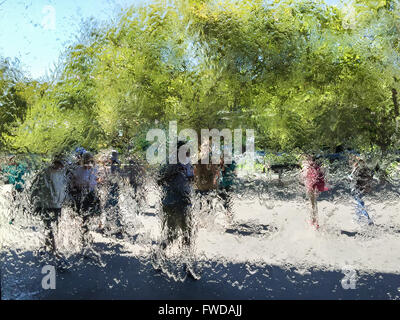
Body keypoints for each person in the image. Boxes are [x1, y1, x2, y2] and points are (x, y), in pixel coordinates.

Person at [30, 155, 68, 254]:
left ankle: (48, 244)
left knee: (54, 226)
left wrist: (65, 200)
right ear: (56, 163)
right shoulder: (44, 172)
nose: (62, 166)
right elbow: (35, 186)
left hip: (57, 205)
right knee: (49, 226)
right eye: (61, 164)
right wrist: (33, 201)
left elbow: (63, 188)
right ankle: (53, 248)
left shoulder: (62, 173)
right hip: (45, 204)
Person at [69, 151, 101, 250]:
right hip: (80, 195)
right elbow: (72, 181)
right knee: (82, 216)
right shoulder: (78, 170)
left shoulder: (95, 169)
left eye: (90, 160)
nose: (88, 162)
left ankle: (84, 234)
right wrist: (76, 186)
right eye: (87, 160)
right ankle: (82, 235)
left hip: (91, 195)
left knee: (88, 216)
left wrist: (97, 183)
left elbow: (97, 180)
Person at [301, 155, 328, 230]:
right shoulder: (317, 166)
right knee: (314, 203)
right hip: (316, 186)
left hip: (310, 186)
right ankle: (315, 221)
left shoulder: (307, 166)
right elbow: (323, 175)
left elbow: (304, 176)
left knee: (312, 204)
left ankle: (313, 222)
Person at [348, 155, 374, 225]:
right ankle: (360, 218)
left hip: (359, 188)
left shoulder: (362, 169)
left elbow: (368, 178)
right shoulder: (356, 168)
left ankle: (367, 219)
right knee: (359, 203)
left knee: (360, 203)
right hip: (357, 188)